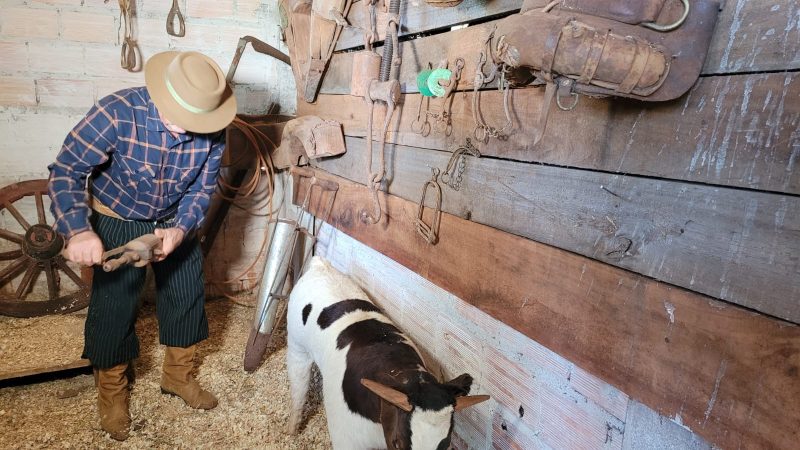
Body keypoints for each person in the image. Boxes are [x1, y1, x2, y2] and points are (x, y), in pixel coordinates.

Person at [47, 51, 236, 441]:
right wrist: (79, 231)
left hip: (170, 219)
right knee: (115, 304)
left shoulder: (214, 129)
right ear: (161, 97)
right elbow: (67, 170)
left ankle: (177, 378)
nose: (186, 132)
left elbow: (203, 189)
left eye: (195, 123)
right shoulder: (116, 113)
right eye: (178, 121)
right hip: (116, 214)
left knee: (186, 294)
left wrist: (181, 229)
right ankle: (113, 393)